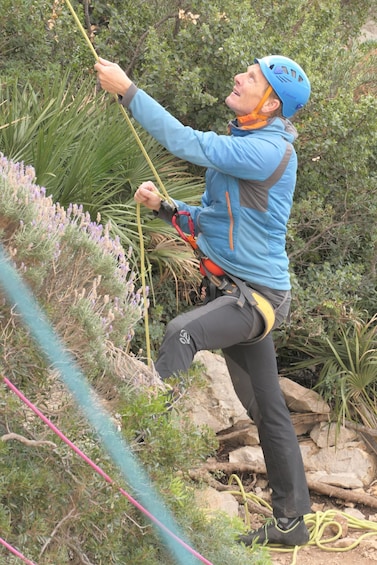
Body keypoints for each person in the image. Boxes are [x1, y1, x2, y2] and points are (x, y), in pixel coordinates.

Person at [95, 54, 312, 546]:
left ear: (271, 102)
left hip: (257, 299)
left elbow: (186, 142)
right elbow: (218, 221)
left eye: (251, 77)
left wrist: (128, 91)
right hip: (239, 292)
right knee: (268, 408)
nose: (239, 76)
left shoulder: (267, 150)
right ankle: (291, 522)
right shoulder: (247, 144)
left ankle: (133, 452)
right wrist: (168, 208)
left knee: (182, 333)